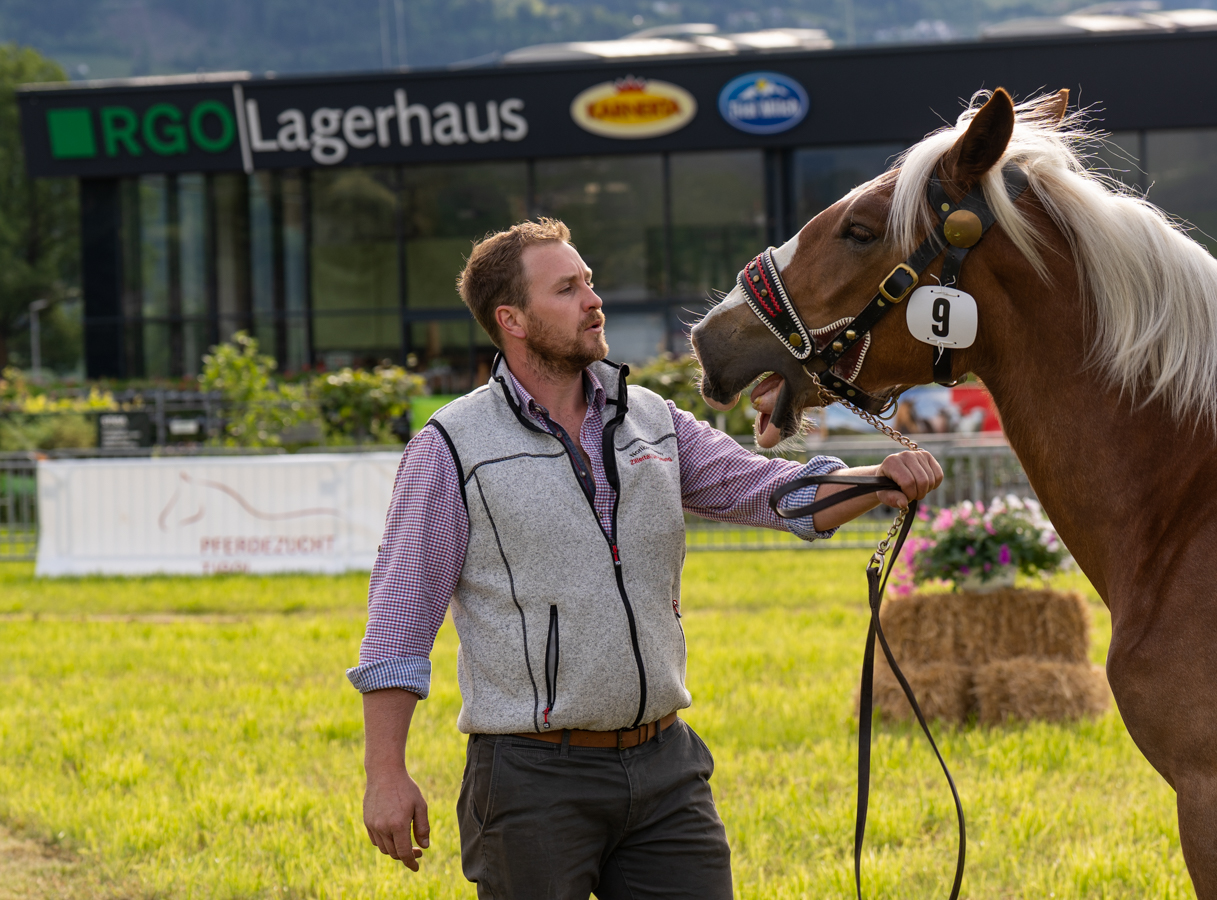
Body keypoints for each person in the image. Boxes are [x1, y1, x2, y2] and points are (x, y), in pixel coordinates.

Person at [347, 218, 944, 899]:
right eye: (567, 289)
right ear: (511, 319)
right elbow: (399, 624)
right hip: (532, 781)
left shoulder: (653, 418)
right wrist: (385, 775)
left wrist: (875, 481)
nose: (593, 300)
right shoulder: (452, 446)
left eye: (589, 281)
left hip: (666, 771)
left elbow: (766, 491)